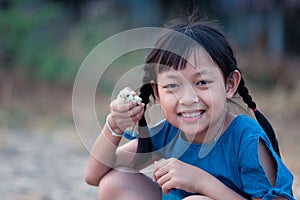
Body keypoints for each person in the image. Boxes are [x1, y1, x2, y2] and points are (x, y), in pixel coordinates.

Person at [85, 14, 295, 200]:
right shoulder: (169, 132)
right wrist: (115, 125)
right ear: (157, 93)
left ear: (230, 84)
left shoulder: (245, 139)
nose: (187, 99)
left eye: (202, 82)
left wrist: (202, 182)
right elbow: (94, 175)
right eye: (173, 86)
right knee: (115, 182)